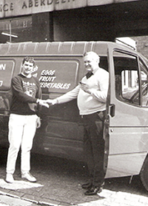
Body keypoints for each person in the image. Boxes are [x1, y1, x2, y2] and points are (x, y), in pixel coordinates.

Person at [47, 51, 109, 196]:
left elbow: (106, 97)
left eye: (89, 61)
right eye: (85, 61)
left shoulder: (103, 75)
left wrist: (90, 90)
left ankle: (97, 184)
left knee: (97, 152)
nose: (87, 64)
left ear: (97, 61)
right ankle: (91, 180)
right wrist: (55, 101)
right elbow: (74, 93)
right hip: (86, 118)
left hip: (96, 118)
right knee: (89, 152)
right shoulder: (86, 77)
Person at [5, 57, 48, 183]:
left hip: (31, 117)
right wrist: (37, 101)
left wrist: (38, 115)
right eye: (26, 65)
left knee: (27, 146)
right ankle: (9, 173)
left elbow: (39, 96)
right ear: (22, 66)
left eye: (30, 65)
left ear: (33, 68)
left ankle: (25, 172)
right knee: (14, 145)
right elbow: (20, 95)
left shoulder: (36, 81)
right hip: (17, 116)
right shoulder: (16, 79)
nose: (28, 67)